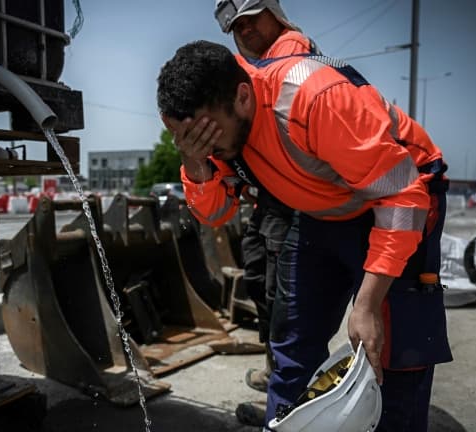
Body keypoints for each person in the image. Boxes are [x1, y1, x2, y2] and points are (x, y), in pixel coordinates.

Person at [157, 40, 452, 431]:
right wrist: (193, 162)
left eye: (208, 137)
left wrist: (366, 303)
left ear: (242, 96)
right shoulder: (211, 131)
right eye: (187, 139)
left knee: (394, 350)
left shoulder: (312, 99)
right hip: (321, 210)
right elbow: (214, 213)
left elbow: (402, 198)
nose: (204, 147)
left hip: (402, 195)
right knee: (292, 343)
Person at [212, 2, 320, 425]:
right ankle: (280, 378)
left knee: (285, 301)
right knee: (258, 279)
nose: (245, 29)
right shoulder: (250, 70)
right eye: (236, 25)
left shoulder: (292, 56)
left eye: (252, 17)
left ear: (275, 12)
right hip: (268, 199)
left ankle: (292, 400)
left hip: (296, 201)